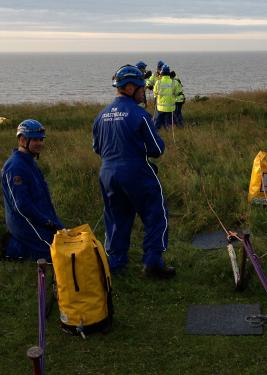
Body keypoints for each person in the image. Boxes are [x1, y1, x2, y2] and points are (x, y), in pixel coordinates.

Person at [92, 64, 175, 278]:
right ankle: (153, 262)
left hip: (108, 173)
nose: (144, 92)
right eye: (141, 88)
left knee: (116, 217)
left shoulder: (100, 116)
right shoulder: (139, 115)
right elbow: (157, 149)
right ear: (130, 88)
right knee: (155, 213)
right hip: (136, 171)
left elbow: (97, 148)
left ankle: (115, 263)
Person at [1, 119, 64, 261]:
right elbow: (21, 206)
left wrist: (54, 223)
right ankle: (13, 248)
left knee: (69, 241)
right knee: (58, 255)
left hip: (42, 219)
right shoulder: (15, 167)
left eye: (41, 139)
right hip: (26, 223)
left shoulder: (30, 162)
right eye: (35, 140)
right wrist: (46, 222)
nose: (40, 143)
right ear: (22, 140)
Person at [153, 64, 182, 129]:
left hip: (160, 107)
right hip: (171, 108)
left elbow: (155, 92)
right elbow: (177, 93)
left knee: (157, 122)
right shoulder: (174, 82)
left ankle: (155, 132)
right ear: (169, 73)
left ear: (161, 73)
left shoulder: (158, 82)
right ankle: (171, 130)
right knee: (170, 122)